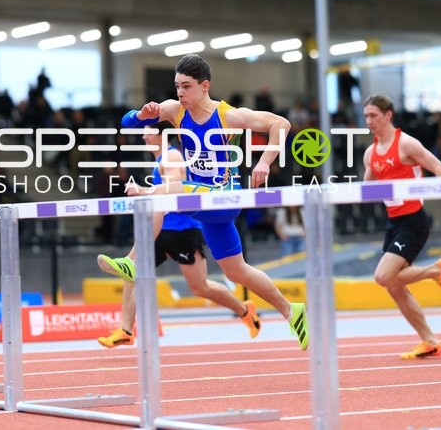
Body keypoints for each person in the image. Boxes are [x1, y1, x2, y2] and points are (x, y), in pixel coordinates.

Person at [96, 54, 308, 350]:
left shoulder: (228, 116)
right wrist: (142, 115)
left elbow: (281, 123)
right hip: (205, 209)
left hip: (222, 197)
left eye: (186, 86)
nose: (180, 93)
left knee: (160, 193)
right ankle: (291, 310)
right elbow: (125, 122)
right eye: (177, 86)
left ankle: (132, 261)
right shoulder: (174, 110)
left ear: (204, 86)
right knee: (236, 271)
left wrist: (264, 161)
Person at [98, 123, 262, 348]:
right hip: (160, 231)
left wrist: (143, 190)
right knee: (131, 273)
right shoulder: (159, 160)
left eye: (148, 131)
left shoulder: (172, 157)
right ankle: (126, 330)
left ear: (162, 135)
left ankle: (244, 311)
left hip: (183, 230)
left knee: (200, 287)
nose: (144, 136)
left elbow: (175, 187)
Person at [361, 94, 441, 360]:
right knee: (395, 287)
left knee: (383, 277)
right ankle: (429, 341)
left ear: (388, 115)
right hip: (393, 222)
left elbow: (440, 168)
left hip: (414, 221)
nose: (369, 121)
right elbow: (366, 189)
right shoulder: (370, 153)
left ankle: (435, 271)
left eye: (373, 115)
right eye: (366, 116)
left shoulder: (406, 144)